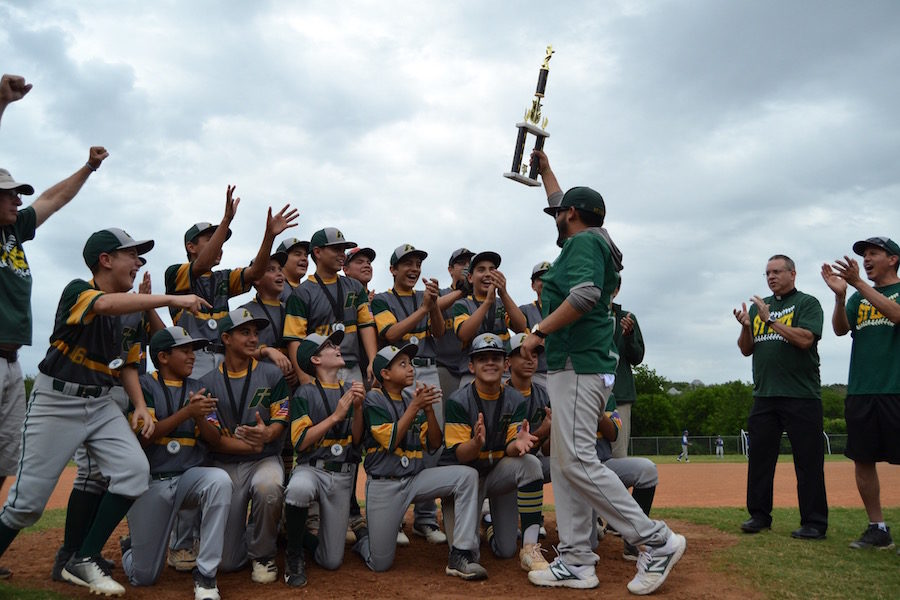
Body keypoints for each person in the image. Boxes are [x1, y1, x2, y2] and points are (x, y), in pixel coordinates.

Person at [0, 228, 209, 596]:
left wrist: (141, 407)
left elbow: (127, 365)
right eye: (131, 255)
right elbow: (105, 304)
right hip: (57, 402)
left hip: (99, 403)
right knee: (26, 507)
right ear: (105, 259)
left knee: (132, 472)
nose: (138, 262)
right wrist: (172, 300)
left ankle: (84, 556)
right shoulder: (78, 291)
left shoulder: (123, 315)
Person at [521, 150, 685, 595]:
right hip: (576, 364)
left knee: (576, 460)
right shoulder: (592, 237)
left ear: (571, 215)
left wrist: (536, 331)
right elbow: (564, 205)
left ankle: (656, 540)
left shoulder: (582, 243)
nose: (555, 215)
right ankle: (576, 559)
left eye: (560, 211)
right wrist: (547, 172)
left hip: (578, 362)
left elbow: (587, 293)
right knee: (567, 462)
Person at [1, 144, 110, 505]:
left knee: (5, 458)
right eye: (10, 194)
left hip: (12, 361)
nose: (18, 201)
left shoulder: (14, 231)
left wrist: (89, 167)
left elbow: (53, 198)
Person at [121, 327, 233, 600]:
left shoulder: (198, 389)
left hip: (188, 478)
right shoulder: (144, 386)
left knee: (220, 481)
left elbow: (215, 439)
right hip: (152, 483)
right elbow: (143, 437)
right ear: (163, 357)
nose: (192, 356)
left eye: (192, 350)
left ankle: (206, 576)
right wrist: (186, 412)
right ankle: (130, 549)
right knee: (143, 577)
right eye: (185, 350)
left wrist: (198, 418)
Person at [362, 342, 487, 580]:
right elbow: (390, 441)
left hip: (415, 479)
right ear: (385, 374)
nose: (411, 369)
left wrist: (428, 411)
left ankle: (461, 554)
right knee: (380, 564)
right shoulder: (374, 399)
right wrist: (416, 406)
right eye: (402, 364)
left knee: (466, 475)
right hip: (385, 484)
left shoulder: (412, 399)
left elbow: (433, 445)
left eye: (410, 364)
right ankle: (363, 540)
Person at [733, 254, 828, 539]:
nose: (771, 277)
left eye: (776, 271)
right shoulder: (760, 307)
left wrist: (770, 320)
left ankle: (814, 522)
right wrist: (747, 326)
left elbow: (806, 339)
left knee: (808, 461)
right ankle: (759, 515)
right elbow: (746, 349)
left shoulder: (807, 303)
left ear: (793, 274)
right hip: (765, 395)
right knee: (760, 459)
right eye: (767, 273)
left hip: (801, 395)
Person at [441, 333, 548, 574]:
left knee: (506, 549)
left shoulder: (514, 398)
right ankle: (474, 532)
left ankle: (529, 547)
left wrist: (517, 444)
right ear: (472, 366)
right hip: (465, 479)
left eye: (496, 358)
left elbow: (512, 446)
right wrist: (476, 443)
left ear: (505, 364)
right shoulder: (458, 400)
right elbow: (460, 456)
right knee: (465, 550)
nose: (490, 363)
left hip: (496, 473)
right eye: (482, 358)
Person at [197, 309, 291, 582]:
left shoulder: (272, 375)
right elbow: (212, 437)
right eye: (244, 332)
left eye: (255, 333)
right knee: (227, 563)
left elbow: (281, 418)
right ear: (226, 338)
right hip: (225, 464)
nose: (253, 338)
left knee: (269, 486)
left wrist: (268, 433)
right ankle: (243, 538)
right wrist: (250, 446)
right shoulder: (207, 383)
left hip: (264, 458)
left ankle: (263, 554)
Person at [165, 186, 298, 377]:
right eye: (211, 240)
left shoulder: (224, 278)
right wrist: (226, 221)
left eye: (220, 242)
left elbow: (256, 273)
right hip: (193, 358)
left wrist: (269, 236)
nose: (219, 246)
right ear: (190, 247)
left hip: (225, 359)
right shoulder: (175, 273)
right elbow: (202, 264)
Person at [822, 236, 900, 550]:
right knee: (863, 459)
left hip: (896, 389)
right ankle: (877, 528)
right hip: (862, 390)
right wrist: (841, 298)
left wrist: (856, 283)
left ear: (893, 259)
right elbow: (840, 329)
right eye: (863, 255)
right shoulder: (858, 297)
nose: (866, 259)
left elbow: (896, 315)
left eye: (873, 253)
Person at [370, 243, 447, 545]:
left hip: (427, 369)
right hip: (396, 375)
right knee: (399, 439)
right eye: (407, 264)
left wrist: (434, 305)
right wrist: (426, 309)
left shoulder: (423, 297)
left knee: (432, 444)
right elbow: (391, 334)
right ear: (393, 270)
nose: (414, 269)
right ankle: (397, 517)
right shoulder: (383, 300)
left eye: (417, 264)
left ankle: (425, 518)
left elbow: (438, 333)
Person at [282, 331, 367, 587]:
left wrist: (359, 409)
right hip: (312, 468)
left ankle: (290, 533)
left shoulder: (350, 391)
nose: (337, 347)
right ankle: (294, 554)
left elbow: (356, 439)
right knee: (297, 489)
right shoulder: (304, 394)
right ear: (316, 360)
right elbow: (300, 442)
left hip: (341, 474)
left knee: (331, 561)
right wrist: (335, 416)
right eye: (328, 345)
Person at [284, 228, 378, 387]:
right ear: (318, 252)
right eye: (336, 249)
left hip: (352, 367)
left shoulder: (354, 287)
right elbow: (294, 339)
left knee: (356, 411)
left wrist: (373, 361)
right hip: (320, 370)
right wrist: (304, 376)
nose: (342, 254)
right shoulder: (302, 293)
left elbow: (366, 325)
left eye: (343, 249)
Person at [593, 396, 659, 562]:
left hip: (603, 463)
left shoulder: (607, 396)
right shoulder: (565, 388)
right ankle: (590, 522)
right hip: (575, 469)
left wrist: (598, 412)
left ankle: (634, 540)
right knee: (590, 543)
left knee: (647, 470)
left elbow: (613, 434)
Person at [451, 251, 527, 387]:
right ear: (470, 277)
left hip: (503, 373)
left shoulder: (502, 303)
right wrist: (487, 303)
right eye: (481, 270)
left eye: (492, 270)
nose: (487, 274)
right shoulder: (462, 304)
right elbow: (464, 334)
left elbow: (521, 328)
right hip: (471, 374)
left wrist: (503, 293)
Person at [609, 279, 645, 459]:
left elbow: (637, 357)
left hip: (619, 397)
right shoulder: (586, 316)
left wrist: (629, 336)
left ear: (616, 290)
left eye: (611, 284)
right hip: (589, 395)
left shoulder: (627, 318)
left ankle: (618, 489)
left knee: (618, 457)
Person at [434, 248, 474, 397]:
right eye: (461, 263)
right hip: (445, 365)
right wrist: (461, 292)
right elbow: (433, 305)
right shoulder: (442, 293)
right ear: (450, 270)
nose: (466, 266)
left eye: (470, 263)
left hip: (472, 365)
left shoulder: (478, 297)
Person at [518, 262, 551, 387]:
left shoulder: (567, 308)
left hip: (564, 372)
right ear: (533, 286)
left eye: (550, 277)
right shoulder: (525, 311)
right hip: (536, 374)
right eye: (540, 279)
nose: (545, 281)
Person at [277, 237, 310, 302]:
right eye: (297, 254)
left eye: (306, 255)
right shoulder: (275, 288)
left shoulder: (309, 289)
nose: (304, 258)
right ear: (282, 259)